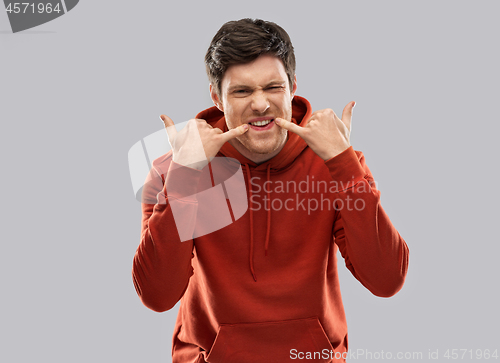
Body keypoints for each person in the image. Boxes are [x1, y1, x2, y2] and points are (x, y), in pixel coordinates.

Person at [132, 18, 409, 363]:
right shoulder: (174, 172)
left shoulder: (335, 164)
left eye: (273, 87)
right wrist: (185, 174)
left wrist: (344, 164)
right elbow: (157, 295)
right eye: (242, 91)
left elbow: (387, 280)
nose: (260, 104)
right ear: (217, 96)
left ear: (293, 86)